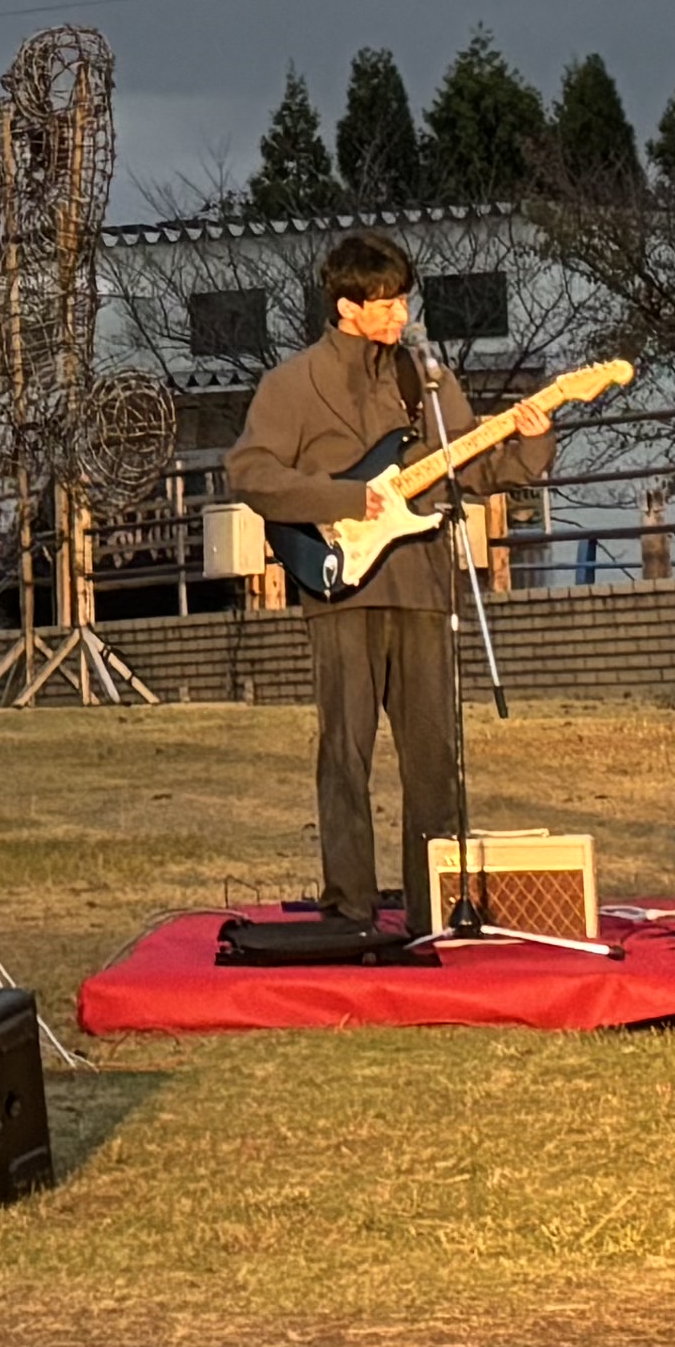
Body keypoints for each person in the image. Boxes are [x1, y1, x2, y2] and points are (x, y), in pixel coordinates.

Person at [223, 228, 554, 924]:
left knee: (434, 755)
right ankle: (350, 906)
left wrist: (532, 437)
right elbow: (250, 473)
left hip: (423, 581)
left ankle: (436, 903)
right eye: (386, 302)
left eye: (404, 299)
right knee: (345, 753)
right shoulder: (291, 384)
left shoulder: (424, 379)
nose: (402, 314)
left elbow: (473, 468)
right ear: (347, 306)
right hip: (340, 583)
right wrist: (345, 499)